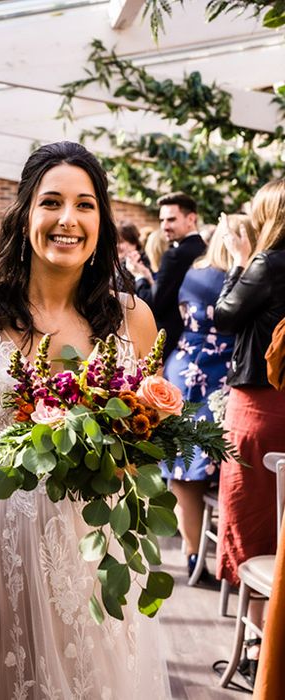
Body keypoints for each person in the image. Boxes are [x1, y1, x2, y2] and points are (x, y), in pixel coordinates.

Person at [0, 141, 169, 698]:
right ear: (26, 214)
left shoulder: (133, 319)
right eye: (52, 202)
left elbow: (147, 448)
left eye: (85, 205)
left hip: (97, 553)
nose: (69, 220)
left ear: (102, 221)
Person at [214, 179, 285, 685]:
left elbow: (225, 317)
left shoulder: (267, 263)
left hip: (259, 403)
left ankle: (259, 650)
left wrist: (239, 261)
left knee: (251, 514)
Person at [160, 214, 254, 582]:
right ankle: (211, 558)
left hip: (183, 367)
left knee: (186, 470)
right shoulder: (234, 277)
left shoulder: (196, 272)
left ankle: (192, 555)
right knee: (211, 468)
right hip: (216, 373)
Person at [132, 192, 206, 358]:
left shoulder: (174, 256)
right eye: (162, 220)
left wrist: (139, 277)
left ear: (191, 219)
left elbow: (154, 305)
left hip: (172, 346)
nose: (164, 226)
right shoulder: (206, 250)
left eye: (171, 219)